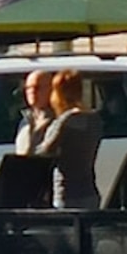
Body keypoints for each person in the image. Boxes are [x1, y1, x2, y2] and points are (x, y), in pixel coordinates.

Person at [45, 70, 102, 210]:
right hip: (89, 190)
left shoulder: (65, 120)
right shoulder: (94, 119)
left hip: (66, 192)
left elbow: (45, 151)